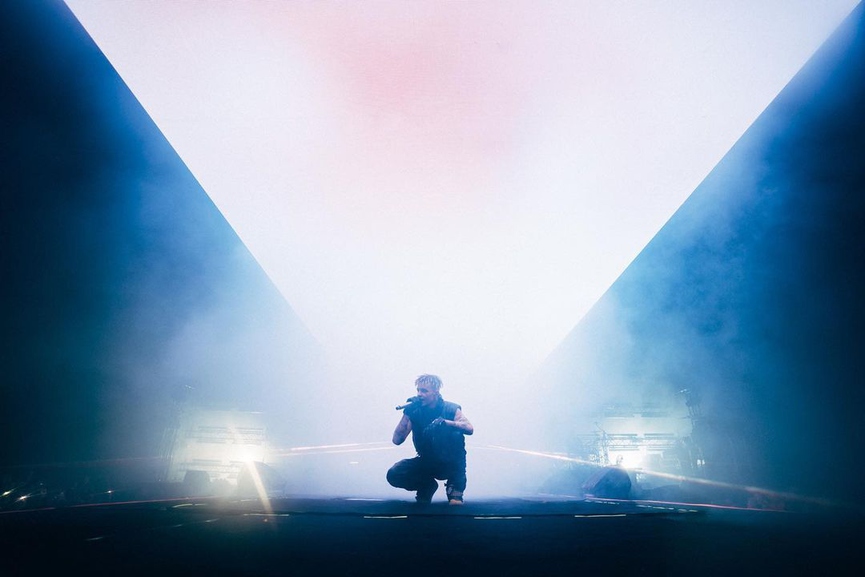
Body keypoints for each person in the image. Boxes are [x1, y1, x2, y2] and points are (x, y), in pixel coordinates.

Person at [386, 374, 474, 505]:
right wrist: (407, 413)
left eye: (424, 391)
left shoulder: (451, 409)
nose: (420, 394)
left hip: (451, 465)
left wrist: (446, 423)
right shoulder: (415, 411)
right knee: (394, 474)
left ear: (435, 392)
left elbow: (469, 428)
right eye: (418, 390)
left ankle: (454, 491)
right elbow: (397, 440)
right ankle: (426, 486)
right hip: (427, 461)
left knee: (455, 504)